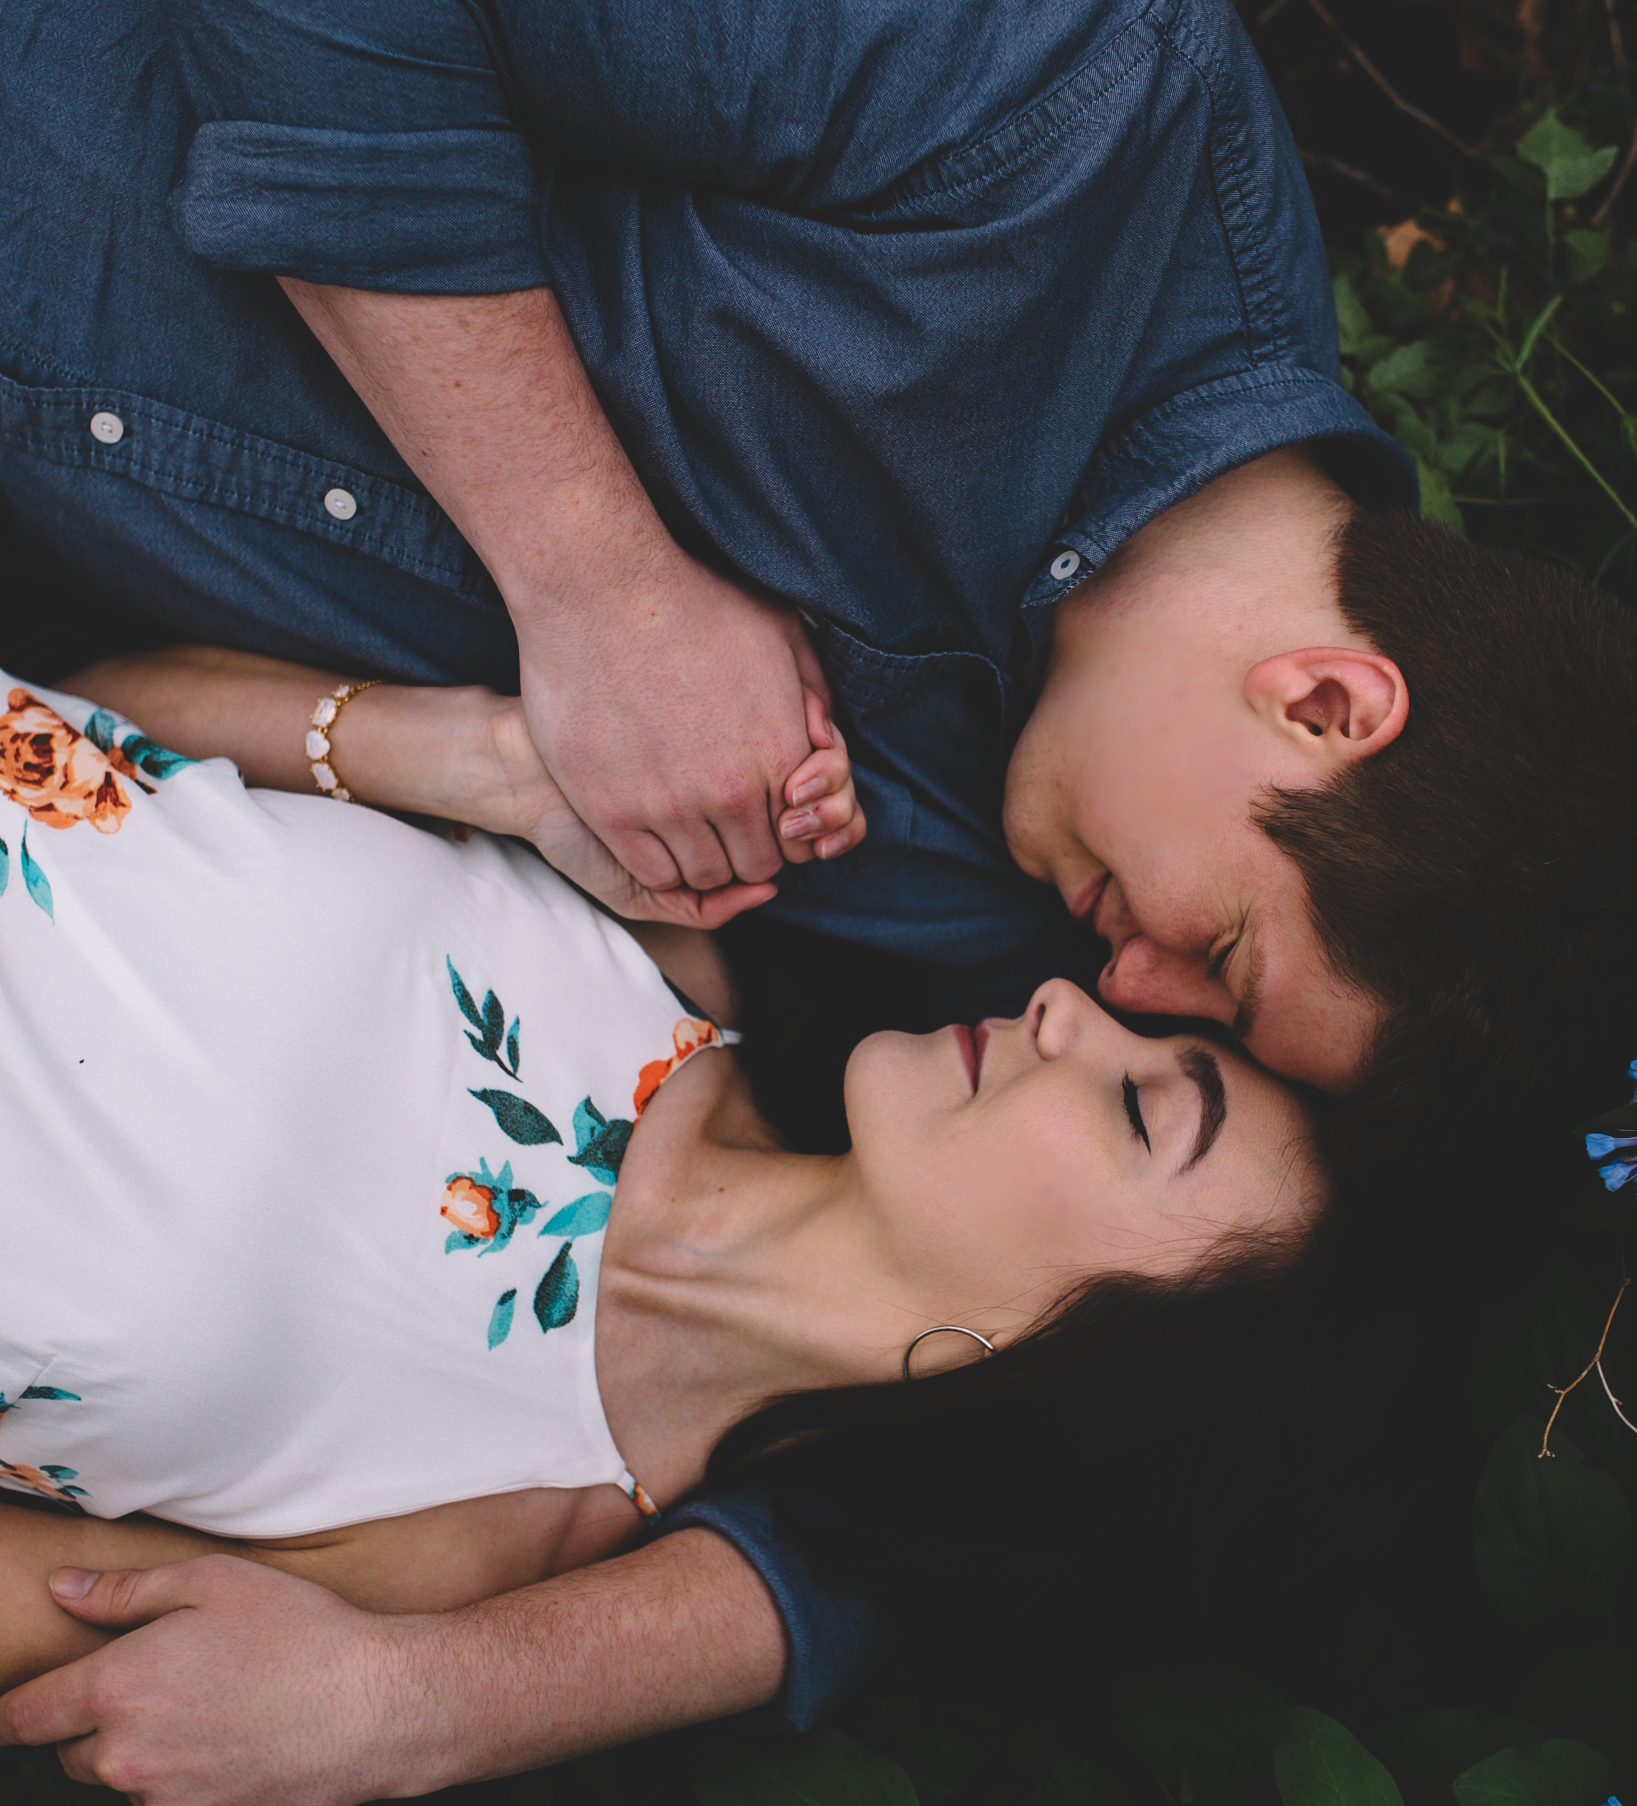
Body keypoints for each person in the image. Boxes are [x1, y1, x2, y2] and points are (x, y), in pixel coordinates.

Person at [0, 0, 1637, 1806]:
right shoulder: (1066, 110)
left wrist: (429, 1699)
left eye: (1176, 1048)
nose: (1107, 983)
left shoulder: (949, 933)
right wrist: (595, 580)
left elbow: (1056, 1471)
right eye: (1205, 956)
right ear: (1329, 710)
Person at [0, 648, 1326, 1701]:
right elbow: (107, 737)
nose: (1067, 1008)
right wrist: (493, 762)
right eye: (1139, 1031)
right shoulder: (662, 955)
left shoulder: (462, 1535)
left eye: (1145, 1116)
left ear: (1057, 1359)